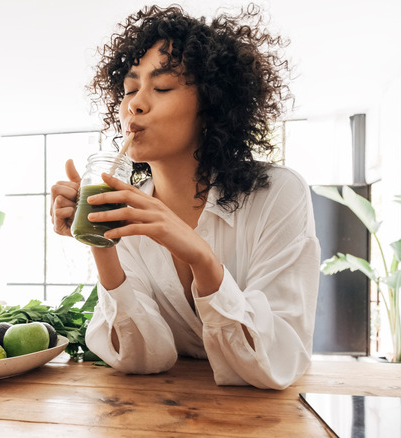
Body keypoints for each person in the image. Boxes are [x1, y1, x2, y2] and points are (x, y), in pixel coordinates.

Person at [49, 4, 320, 390]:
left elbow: (279, 361)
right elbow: (140, 359)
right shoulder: (125, 206)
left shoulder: (277, 194)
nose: (135, 104)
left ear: (210, 104)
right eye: (129, 89)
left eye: (161, 87)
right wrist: (101, 240)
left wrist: (202, 258)